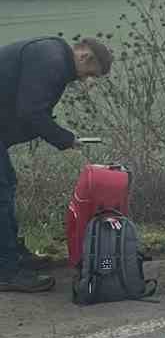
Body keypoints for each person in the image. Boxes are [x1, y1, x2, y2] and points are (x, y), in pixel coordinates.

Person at [0, 36, 112, 293]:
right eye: (89, 74)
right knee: (1, 193)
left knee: (6, 186)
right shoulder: (52, 60)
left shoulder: (51, 55)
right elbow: (30, 111)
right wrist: (64, 138)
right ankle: (6, 271)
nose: (86, 80)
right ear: (84, 57)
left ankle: (13, 255)